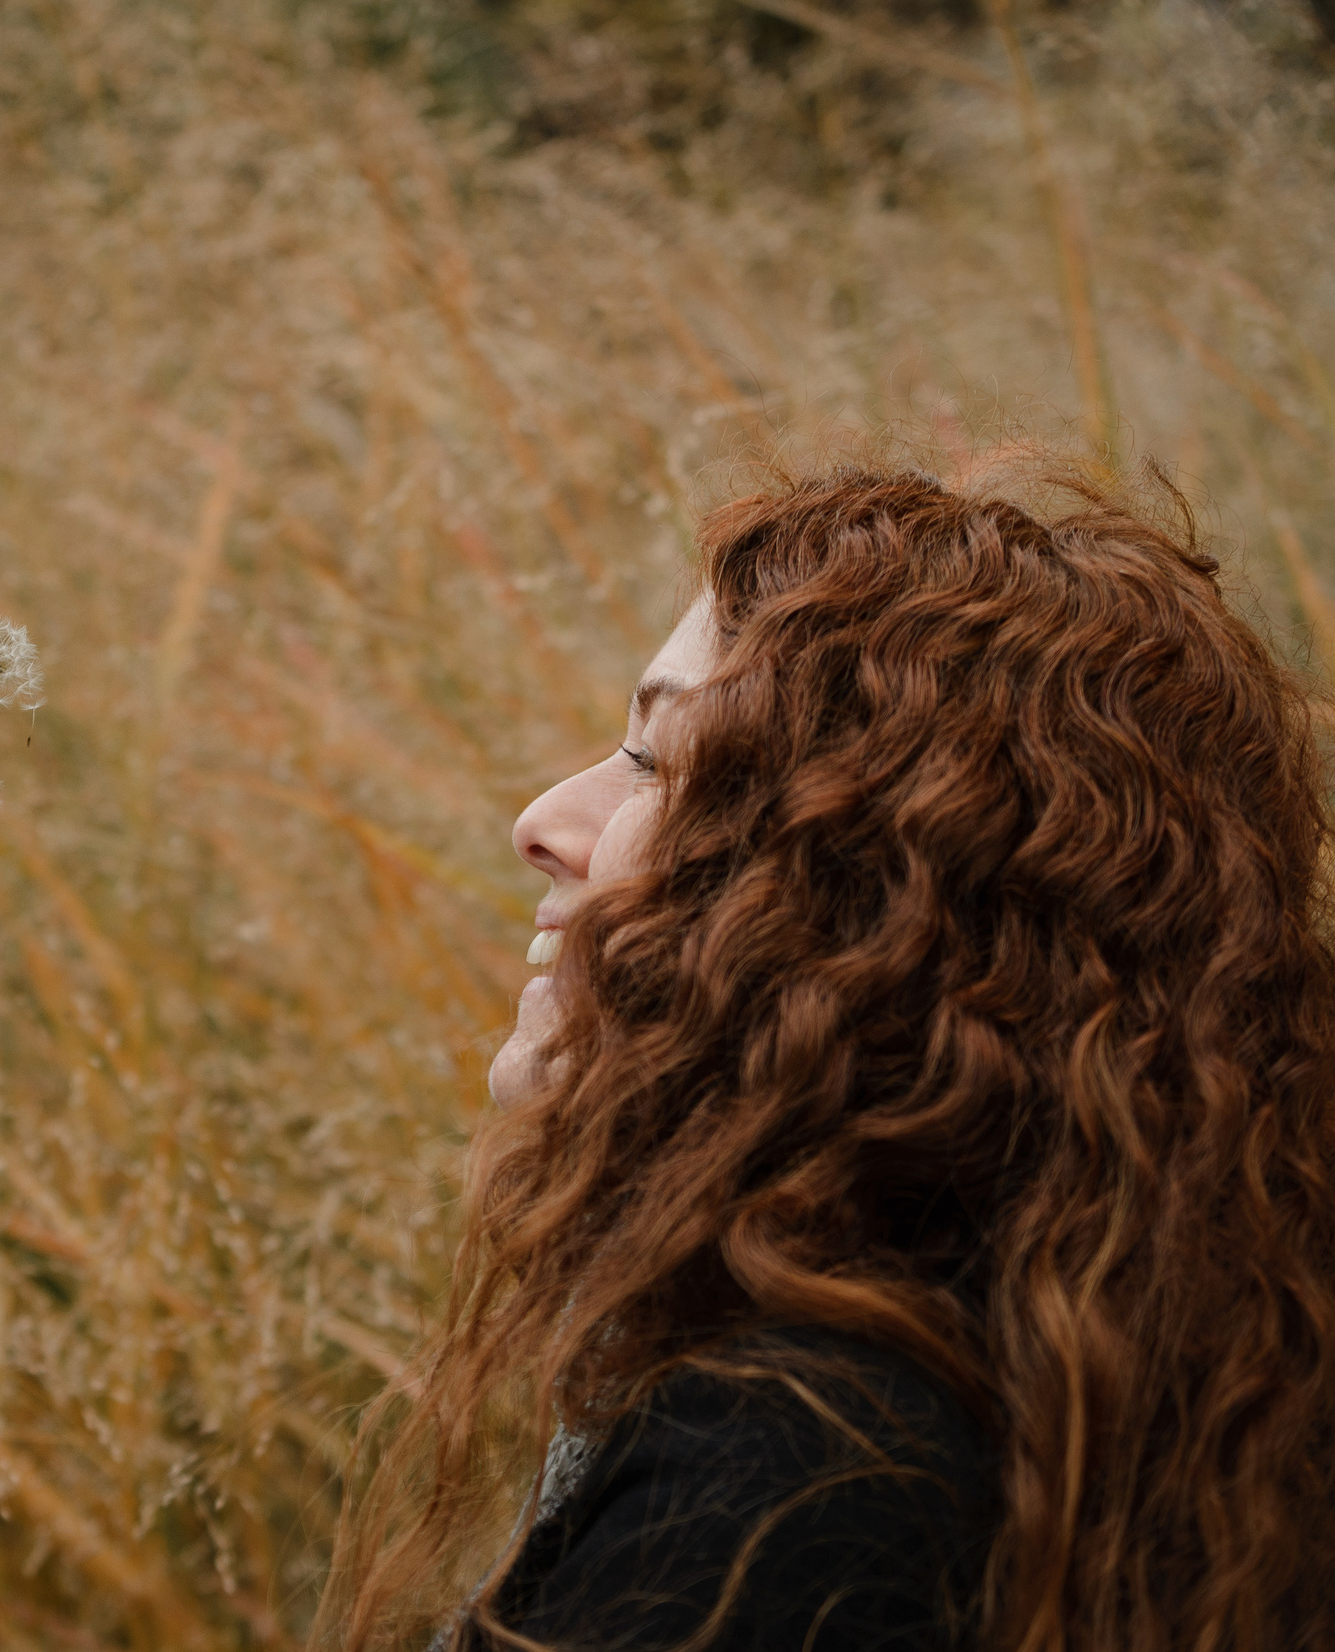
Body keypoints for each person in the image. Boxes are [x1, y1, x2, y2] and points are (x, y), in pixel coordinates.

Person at [318, 461, 1335, 1651]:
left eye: (656, 759)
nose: (541, 819)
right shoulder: (1115, 1367)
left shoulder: (789, 1484)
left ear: (881, 900)